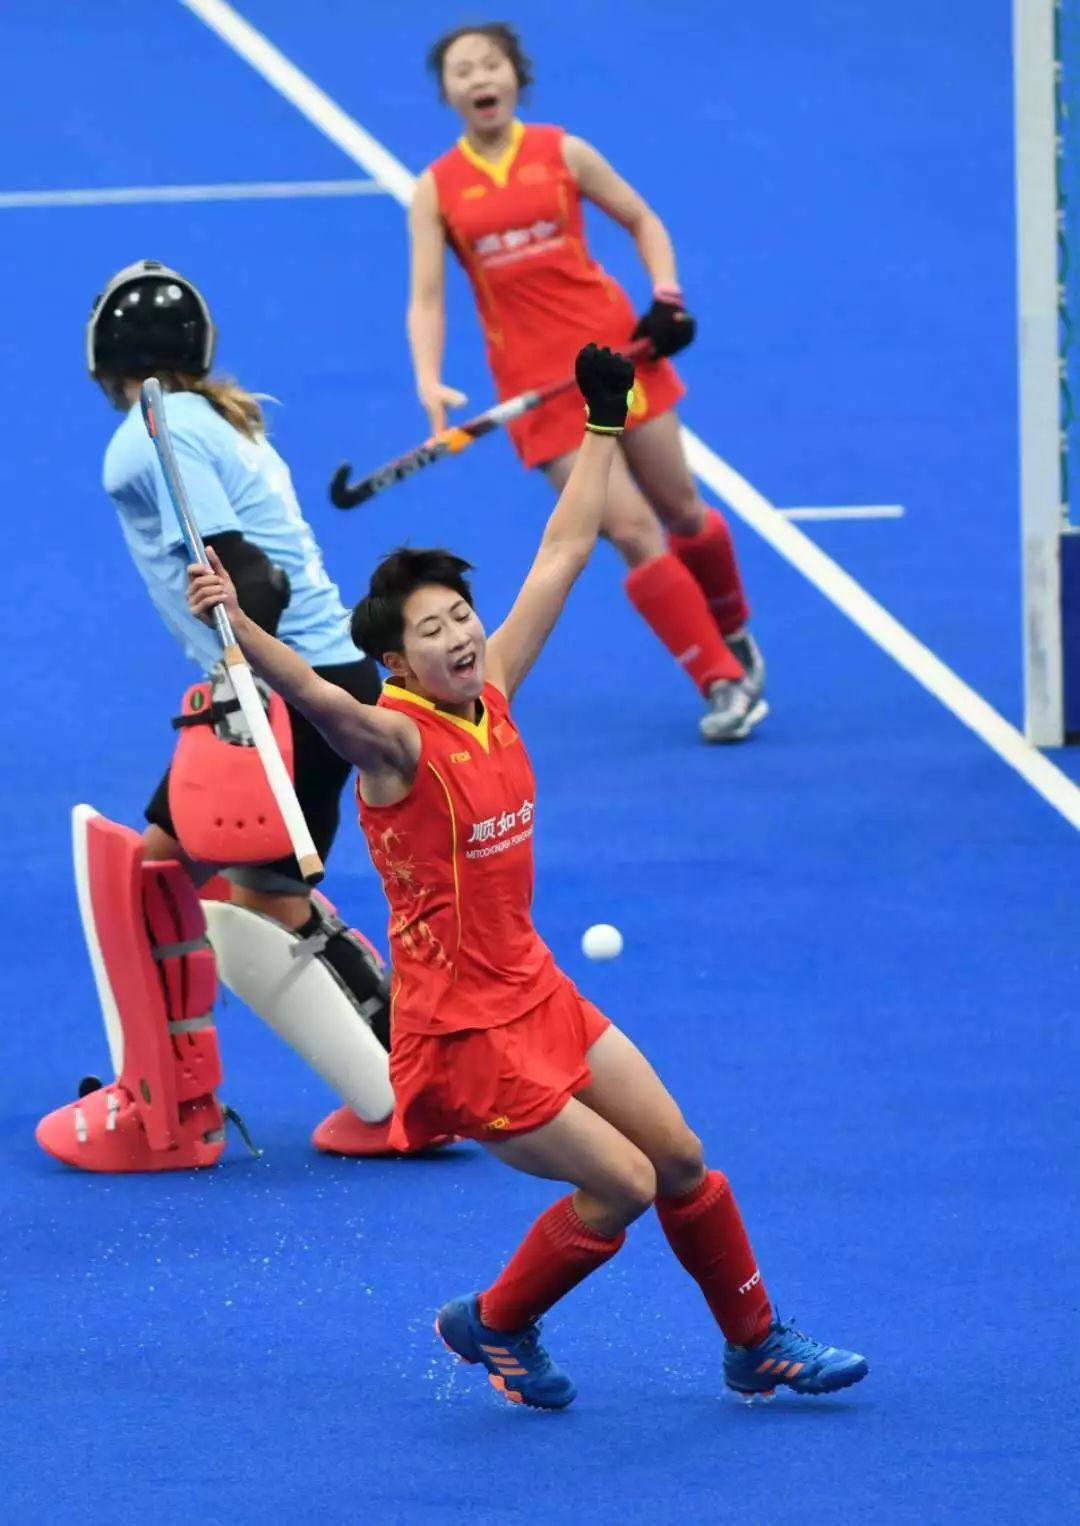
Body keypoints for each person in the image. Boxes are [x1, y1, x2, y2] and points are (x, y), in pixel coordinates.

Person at [186, 342, 866, 1408]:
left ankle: (755, 1343)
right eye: (434, 630)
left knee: (681, 1159)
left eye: (461, 613)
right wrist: (237, 626)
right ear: (398, 663)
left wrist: (604, 422)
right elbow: (318, 699)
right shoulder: (393, 743)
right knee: (623, 1185)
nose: (461, 634)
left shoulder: (493, 685)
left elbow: (564, 549)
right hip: (462, 1034)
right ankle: (497, 1321)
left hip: (536, 989)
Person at [36, 259, 434, 1173]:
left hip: (281, 688)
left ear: (103, 357)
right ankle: (412, 1089)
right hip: (331, 679)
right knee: (266, 900)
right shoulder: (221, 419)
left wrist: (238, 688)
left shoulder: (153, 434)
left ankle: (164, 1115)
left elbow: (247, 576)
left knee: (147, 881)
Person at [407, 22, 767, 744]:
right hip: (538, 390)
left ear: (516, 75)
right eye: (462, 70)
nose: (479, 78)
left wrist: (667, 297)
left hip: (618, 356)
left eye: (490, 64)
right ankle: (720, 679)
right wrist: (430, 380)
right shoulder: (436, 189)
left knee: (683, 512)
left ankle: (732, 630)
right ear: (447, 92)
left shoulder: (563, 152)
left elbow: (642, 219)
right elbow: (428, 298)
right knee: (630, 530)